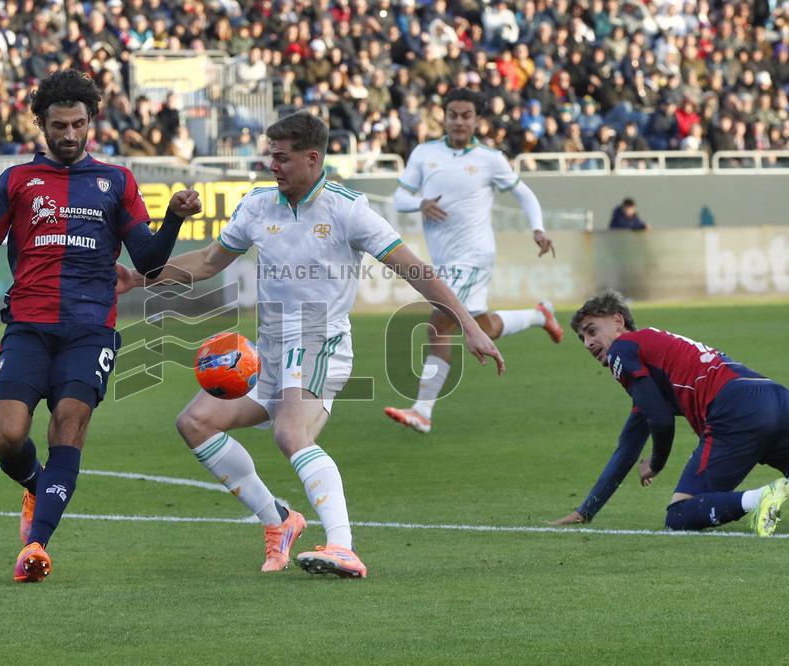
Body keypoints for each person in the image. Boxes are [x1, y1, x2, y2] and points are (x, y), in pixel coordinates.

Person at [115, 111, 505, 578]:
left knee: (290, 434)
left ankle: (343, 546)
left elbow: (414, 269)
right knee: (195, 423)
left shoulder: (347, 209)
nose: (272, 166)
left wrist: (469, 325)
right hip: (268, 350)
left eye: (281, 158)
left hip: (321, 341)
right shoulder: (258, 204)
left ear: (312, 158)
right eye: (270, 157)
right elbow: (208, 262)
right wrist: (140, 278)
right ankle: (279, 521)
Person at [0, 70, 202, 582]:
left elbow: (148, 262)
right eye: (58, 125)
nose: (69, 135)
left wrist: (172, 219)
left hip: (90, 328)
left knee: (69, 423)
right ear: (40, 123)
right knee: (6, 436)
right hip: (28, 325)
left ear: (91, 123)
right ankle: (37, 485)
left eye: (78, 124)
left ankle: (36, 546)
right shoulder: (18, 180)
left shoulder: (116, 181)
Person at [384, 88, 561, 435]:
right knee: (481, 325)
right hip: (447, 258)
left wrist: (538, 229)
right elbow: (399, 197)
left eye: (467, 115)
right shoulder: (425, 153)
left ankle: (422, 410)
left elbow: (524, 194)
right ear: (444, 116)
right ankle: (539, 315)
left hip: (474, 255)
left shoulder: (489, 158)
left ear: (477, 120)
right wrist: (419, 203)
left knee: (439, 324)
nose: (459, 121)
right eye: (453, 114)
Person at [550, 291, 789, 534]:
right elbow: (627, 448)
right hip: (775, 396)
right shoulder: (652, 358)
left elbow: (662, 421)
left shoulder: (622, 349)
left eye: (592, 331)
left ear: (618, 321)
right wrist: (586, 511)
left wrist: (656, 463)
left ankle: (760, 498)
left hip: (736, 408)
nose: (587, 343)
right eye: (582, 338)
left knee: (679, 514)